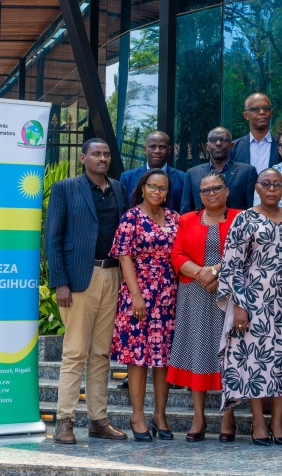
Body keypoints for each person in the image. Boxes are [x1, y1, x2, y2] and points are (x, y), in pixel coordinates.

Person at [46, 139, 130, 445]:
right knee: (75, 352)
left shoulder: (118, 189)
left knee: (101, 354)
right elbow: (53, 237)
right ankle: (64, 420)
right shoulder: (66, 188)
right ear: (83, 158)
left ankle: (98, 419)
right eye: (96, 153)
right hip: (80, 279)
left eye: (106, 154)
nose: (103, 158)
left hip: (113, 276)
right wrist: (61, 283)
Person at [217, 168, 282, 446]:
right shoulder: (244, 219)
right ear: (257, 187)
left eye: (277, 184)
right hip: (253, 304)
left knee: (280, 364)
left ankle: (278, 421)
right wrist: (239, 305)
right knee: (254, 362)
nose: (272, 189)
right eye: (266, 184)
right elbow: (232, 264)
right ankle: (258, 422)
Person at [168, 171, 240, 443]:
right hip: (194, 293)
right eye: (206, 190)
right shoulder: (186, 220)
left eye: (216, 188)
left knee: (228, 352)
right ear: (200, 195)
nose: (211, 194)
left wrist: (215, 272)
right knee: (199, 350)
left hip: (230, 293)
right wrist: (201, 274)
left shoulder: (239, 217)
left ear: (226, 190)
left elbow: (244, 250)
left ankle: (228, 416)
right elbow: (176, 254)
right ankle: (198, 417)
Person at [111, 169, 180, 441]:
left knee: (163, 360)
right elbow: (124, 257)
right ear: (143, 188)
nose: (157, 192)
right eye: (152, 187)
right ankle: (137, 416)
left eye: (162, 189)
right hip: (139, 295)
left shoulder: (174, 217)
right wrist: (137, 295)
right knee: (138, 358)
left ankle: (159, 415)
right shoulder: (131, 217)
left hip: (169, 296)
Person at [182, 127, 258, 212]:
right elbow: (186, 210)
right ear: (207, 146)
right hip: (201, 223)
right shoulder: (192, 174)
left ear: (232, 145)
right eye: (213, 139)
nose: (218, 143)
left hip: (236, 223)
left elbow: (251, 208)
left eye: (224, 139)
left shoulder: (247, 172)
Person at [120, 130, 185, 209]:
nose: (157, 151)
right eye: (152, 146)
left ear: (169, 150)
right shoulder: (127, 178)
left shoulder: (182, 178)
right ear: (145, 149)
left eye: (162, 147)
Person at [232, 93, 280, 170]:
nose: (262, 112)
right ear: (245, 115)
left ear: (271, 113)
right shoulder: (234, 147)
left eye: (266, 108)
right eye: (255, 109)